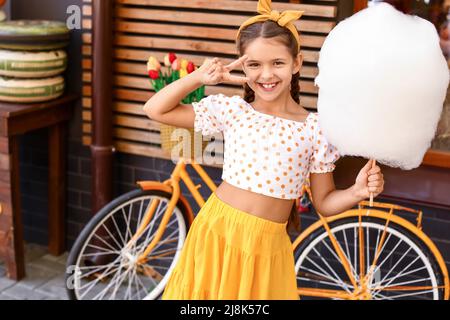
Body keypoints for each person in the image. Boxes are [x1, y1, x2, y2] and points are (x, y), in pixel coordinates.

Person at [143, 0, 384, 300]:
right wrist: (198, 77)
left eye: (278, 63)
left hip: (268, 252)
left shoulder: (317, 129)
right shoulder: (232, 110)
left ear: (297, 63)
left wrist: (357, 192)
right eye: (254, 64)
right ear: (243, 66)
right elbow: (155, 109)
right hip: (216, 235)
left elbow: (323, 203)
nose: (266, 74)